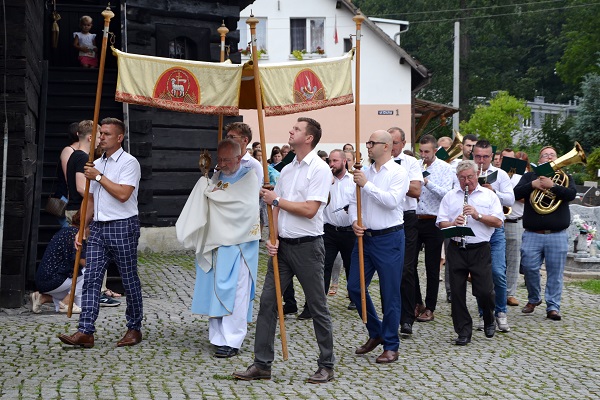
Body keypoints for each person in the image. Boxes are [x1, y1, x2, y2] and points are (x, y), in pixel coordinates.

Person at [233, 117, 335, 383]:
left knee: (317, 305)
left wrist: (276, 199)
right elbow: (274, 208)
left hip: (308, 247)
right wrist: (273, 237)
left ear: (309, 138)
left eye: (297, 129)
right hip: (283, 248)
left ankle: (327, 364)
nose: (291, 131)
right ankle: (261, 364)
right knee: (268, 304)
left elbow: (310, 209)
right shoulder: (288, 169)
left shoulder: (320, 169)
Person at [58, 117, 142, 348]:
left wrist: (98, 176)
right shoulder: (96, 163)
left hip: (123, 225)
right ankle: (85, 331)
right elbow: (91, 200)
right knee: (91, 278)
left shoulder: (129, 162)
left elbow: (123, 194)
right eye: (100, 133)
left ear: (119, 137)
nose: (101, 137)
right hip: (98, 227)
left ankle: (134, 328)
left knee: (129, 279)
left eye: (106, 134)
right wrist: (81, 228)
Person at [177, 139, 260, 358]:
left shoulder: (249, 177)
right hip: (215, 242)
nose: (221, 164)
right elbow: (209, 200)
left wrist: (212, 194)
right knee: (215, 291)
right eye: (219, 159)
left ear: (239, 158)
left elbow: (243, 207)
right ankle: (217, 337)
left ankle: (232, 340)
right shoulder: (216, 175)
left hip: (239, 244)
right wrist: (206, 186)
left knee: (236, 293)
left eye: (226, 160)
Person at [347, 130, 408, 364]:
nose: (368, 146)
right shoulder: (364, 171)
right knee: (354, 287)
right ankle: (376, 331)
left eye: (372, 143)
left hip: (389, 238)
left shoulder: (398, 172)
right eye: (368, 142)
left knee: (389, 293)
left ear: (386, 146)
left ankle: (391, 345)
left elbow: (391, 201)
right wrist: (354, 220)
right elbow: (353, 201)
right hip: (365, 238)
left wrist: (367, 185)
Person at [437, 160, 503, 345]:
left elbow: (498, 222)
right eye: (462, 178)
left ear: (477, 175)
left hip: (480, 248)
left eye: (470, 177)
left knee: (485, 291)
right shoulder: (450, 196)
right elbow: (441, 223)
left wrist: (477, 215)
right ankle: (463, 331)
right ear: (457, 178)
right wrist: (453, 223)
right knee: (457, 292)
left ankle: (489, 317)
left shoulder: (489, 196)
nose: (466, 181)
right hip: (456, 247)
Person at [514, 146, 576, 321]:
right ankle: (534, 298)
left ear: (557, 159)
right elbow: (515, 193)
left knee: (555, 273)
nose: (548, 157)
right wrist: (532, 185)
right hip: (532, 233)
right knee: (529, 268)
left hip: (557, 233)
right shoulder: (529, 176)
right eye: (545, 155)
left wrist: (553, 186)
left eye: (552, 155)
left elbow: (571, 195)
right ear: (539, 160)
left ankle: (553, 307)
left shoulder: (565, 177)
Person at [468, 140, 514, 333]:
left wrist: (493, 191)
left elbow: (510, 199)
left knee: (497, 272)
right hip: (477, 230)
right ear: (473, 155)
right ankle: (484, 314)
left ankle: (501, 312)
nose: (481, 160)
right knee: (480, 276)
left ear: (492, 156)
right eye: (478, 156)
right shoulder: (469, 172)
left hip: (495, 230)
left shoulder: (500, 174)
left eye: (485, 157)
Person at [302, 149, 355, 317]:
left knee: (352, 266)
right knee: (322, 267)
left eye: (335, 161)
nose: (331, 164)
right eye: (330, 161)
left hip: (349, 230)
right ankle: (314, 305)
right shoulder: (324, 179)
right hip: (329, 230)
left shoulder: (353, 180)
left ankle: (356, 298)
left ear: (344, 161)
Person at [413, 134, 453, 324]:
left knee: (432, 266)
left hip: (434, 220)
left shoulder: (445, 168)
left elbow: (447, 194)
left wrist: (427, 182)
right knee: (409, 264)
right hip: (415, 219)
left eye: (427, 152)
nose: (423, 155)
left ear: (435, 151)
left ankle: (430, 307)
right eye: (421, 151)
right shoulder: (415, 165)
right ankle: (416, 302)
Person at [388, 127, 422, 335]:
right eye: (388, 142)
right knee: (389, 271)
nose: (391, 146)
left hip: (407, 217)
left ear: (403, 143)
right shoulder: (377, 163)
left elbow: (416, 190)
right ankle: (391, 314)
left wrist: (395, 183)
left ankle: (407, 318)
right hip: (386, 218)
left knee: (406, 268)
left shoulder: (411, 162)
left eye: (395, 142)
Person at [31, 211, 85, 314]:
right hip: (54, 279)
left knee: (80, 304)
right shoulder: (74, 234)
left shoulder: (65, 231)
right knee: (91, 270)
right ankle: (66, 303)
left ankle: (42, 298)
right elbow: (83, 261)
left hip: (45, 280)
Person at [501, 148, 526, 307]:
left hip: (515, 220)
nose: (507, 162)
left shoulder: (521, 176)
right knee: (495, 260)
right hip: (497, 222)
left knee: (513, 260)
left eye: (510, 158)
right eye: (504, 158)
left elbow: (525, 197)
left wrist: (510, 193)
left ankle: (510, 293)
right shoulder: (495, 174)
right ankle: (495, 291)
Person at [65, 120, 99, 224]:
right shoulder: (83, 157)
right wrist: (98, 201)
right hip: (79, 210)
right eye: (98, 137)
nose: (100, 141)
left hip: (75, 208)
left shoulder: (75, 155)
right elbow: (80, 188)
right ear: (90, 138)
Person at [53, 122, 80, 227]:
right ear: (78, 134)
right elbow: (68, 176)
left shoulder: (80, 152)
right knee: (69, 228)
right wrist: (71, 196)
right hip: (66, 197)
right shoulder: (68, 150)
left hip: (73, 197)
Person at [224, 122, 264, 188]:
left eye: (232, 137)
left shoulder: (254, 165)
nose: (228, 140)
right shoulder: (223, 163)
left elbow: (255, 191)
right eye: (227, 137)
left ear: (245, 140)